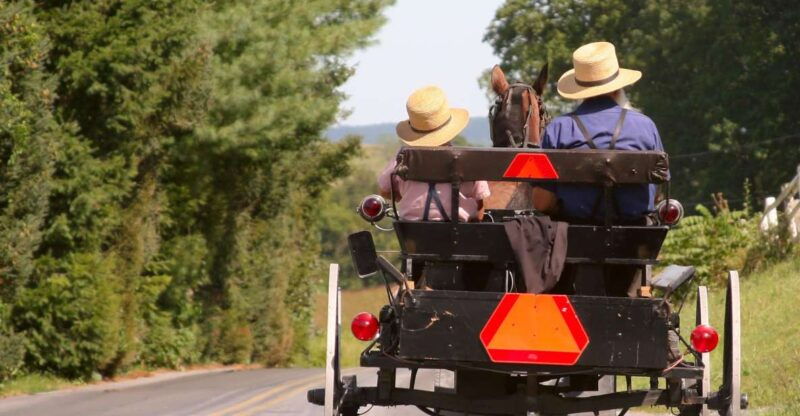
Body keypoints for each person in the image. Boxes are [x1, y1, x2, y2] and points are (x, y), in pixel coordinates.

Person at [533, 41, 669, 299]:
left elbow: (541, 201)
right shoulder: (645, 126)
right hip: (632, 241)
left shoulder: (558, 130)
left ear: (579, 88)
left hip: (573, 243)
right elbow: (657, 190)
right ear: (618, 87)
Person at [378, 85, 490, 222]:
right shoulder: (469, 159)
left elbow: (385, 190)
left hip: (412, 234)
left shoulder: (402, 157)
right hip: (460, 233)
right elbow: (480, 200)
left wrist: (407, 194)